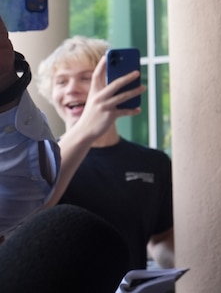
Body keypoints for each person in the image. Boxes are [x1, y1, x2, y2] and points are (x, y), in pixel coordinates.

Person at [36, 36, 175, 270]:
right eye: (61, 81)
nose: (71, 89)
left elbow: (160, 239)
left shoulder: (154, 163)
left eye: (86, 78)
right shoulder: (37, 162)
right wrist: (87, 128)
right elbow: (25, 221)